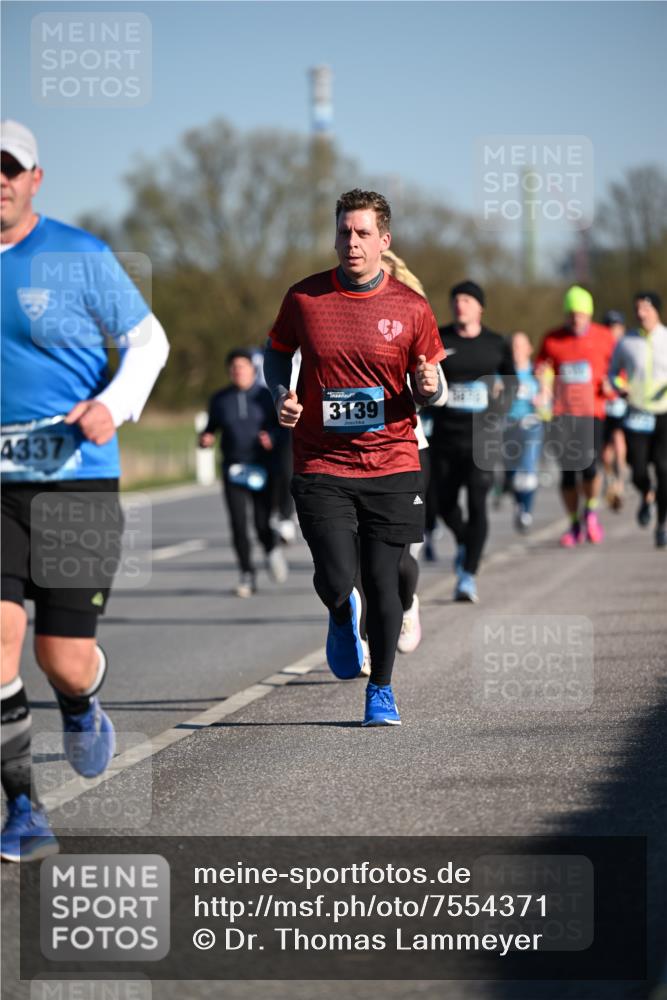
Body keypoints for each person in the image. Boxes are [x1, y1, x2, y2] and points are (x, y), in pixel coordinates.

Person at [1, 120, 169, 860]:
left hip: (76, 483)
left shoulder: (77, 255)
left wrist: (113, 404)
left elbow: (149, 343)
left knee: (61, 657)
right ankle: (23, 808)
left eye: (10, 168)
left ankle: (79, 701)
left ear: (34, 179)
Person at [263, 189, 446, 726]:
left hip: (392, 461)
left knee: (384, 578)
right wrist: (281, 393)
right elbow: (276, 353)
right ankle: (342, 610)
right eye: (344, 231)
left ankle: (381, 689)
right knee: (337, 576)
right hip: (321, 462)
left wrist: (429, 386)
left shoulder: (411, 307)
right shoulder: (305, 298)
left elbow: (433, 384)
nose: (352, 242)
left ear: (384, 240)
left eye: (363, 233)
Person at [430, 280, 515, 603]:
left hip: (483, 438)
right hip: (445, 436)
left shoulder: (496, 343)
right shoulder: (439, 339)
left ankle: (467, 575)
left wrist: (498, 409)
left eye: (467, 299)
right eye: (456, 299)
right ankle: (466, 541)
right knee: (444, 505)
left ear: (480, 307)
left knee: (478, 502)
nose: (459, 305)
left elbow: (511, 382)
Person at [199, 348, 288, 596]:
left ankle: (271, 548)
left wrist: (272, 437)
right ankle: (247, 573)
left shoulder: (266, 396)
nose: (238, 371)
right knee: (238, 524)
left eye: (242, 367)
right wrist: (206, 438)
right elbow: (211, 427)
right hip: (234, 468)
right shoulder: (220, 399)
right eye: (234, 367)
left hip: (263, 467)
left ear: (252, 370)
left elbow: (284, 428)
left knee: (261, 523)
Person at [535, 286, 615, 548]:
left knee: (589, 466)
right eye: (571, 314)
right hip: (562, 414)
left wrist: (614, 384)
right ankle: (573, 523)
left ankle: (590, 511)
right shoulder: (552, 339)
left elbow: (620, 368)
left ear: (589, 314)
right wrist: (543, 383)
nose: (576, 319)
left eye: (580, 314)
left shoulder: (604, 337)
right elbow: (541, 366)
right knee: (568, 473)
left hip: (593, 411)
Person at [609, 292, 667, 548]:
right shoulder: (626, 342)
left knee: (664, 469)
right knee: (638, 470)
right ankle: (646, 493)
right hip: (637, 413)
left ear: (656, 310)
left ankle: (662, 525)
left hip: (664, 413)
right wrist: (619, 386)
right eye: (637, 309)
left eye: (646, 308)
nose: (641, 313)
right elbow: (612, 373)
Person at [502, 331, 543, 532]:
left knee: (527, 467)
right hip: (508, 425)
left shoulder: (537, 372)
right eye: (513, 346)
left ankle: (526, 510)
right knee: (511, 472)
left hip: (531, 424)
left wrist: (543, 395)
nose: (516, 350)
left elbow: (548, 399)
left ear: (529, 349)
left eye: (520, 346)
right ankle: (519, 503)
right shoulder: (503, 372)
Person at [601, 310, 628, 511]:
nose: (613, 332)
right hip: (603, 404)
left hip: (621, 402)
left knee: (619, 443)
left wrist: (618, 385)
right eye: (609, 328)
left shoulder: (627, 348)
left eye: (616, 328)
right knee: (605, 452)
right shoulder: (599, 347)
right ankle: (610, 481)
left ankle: (620, 485)